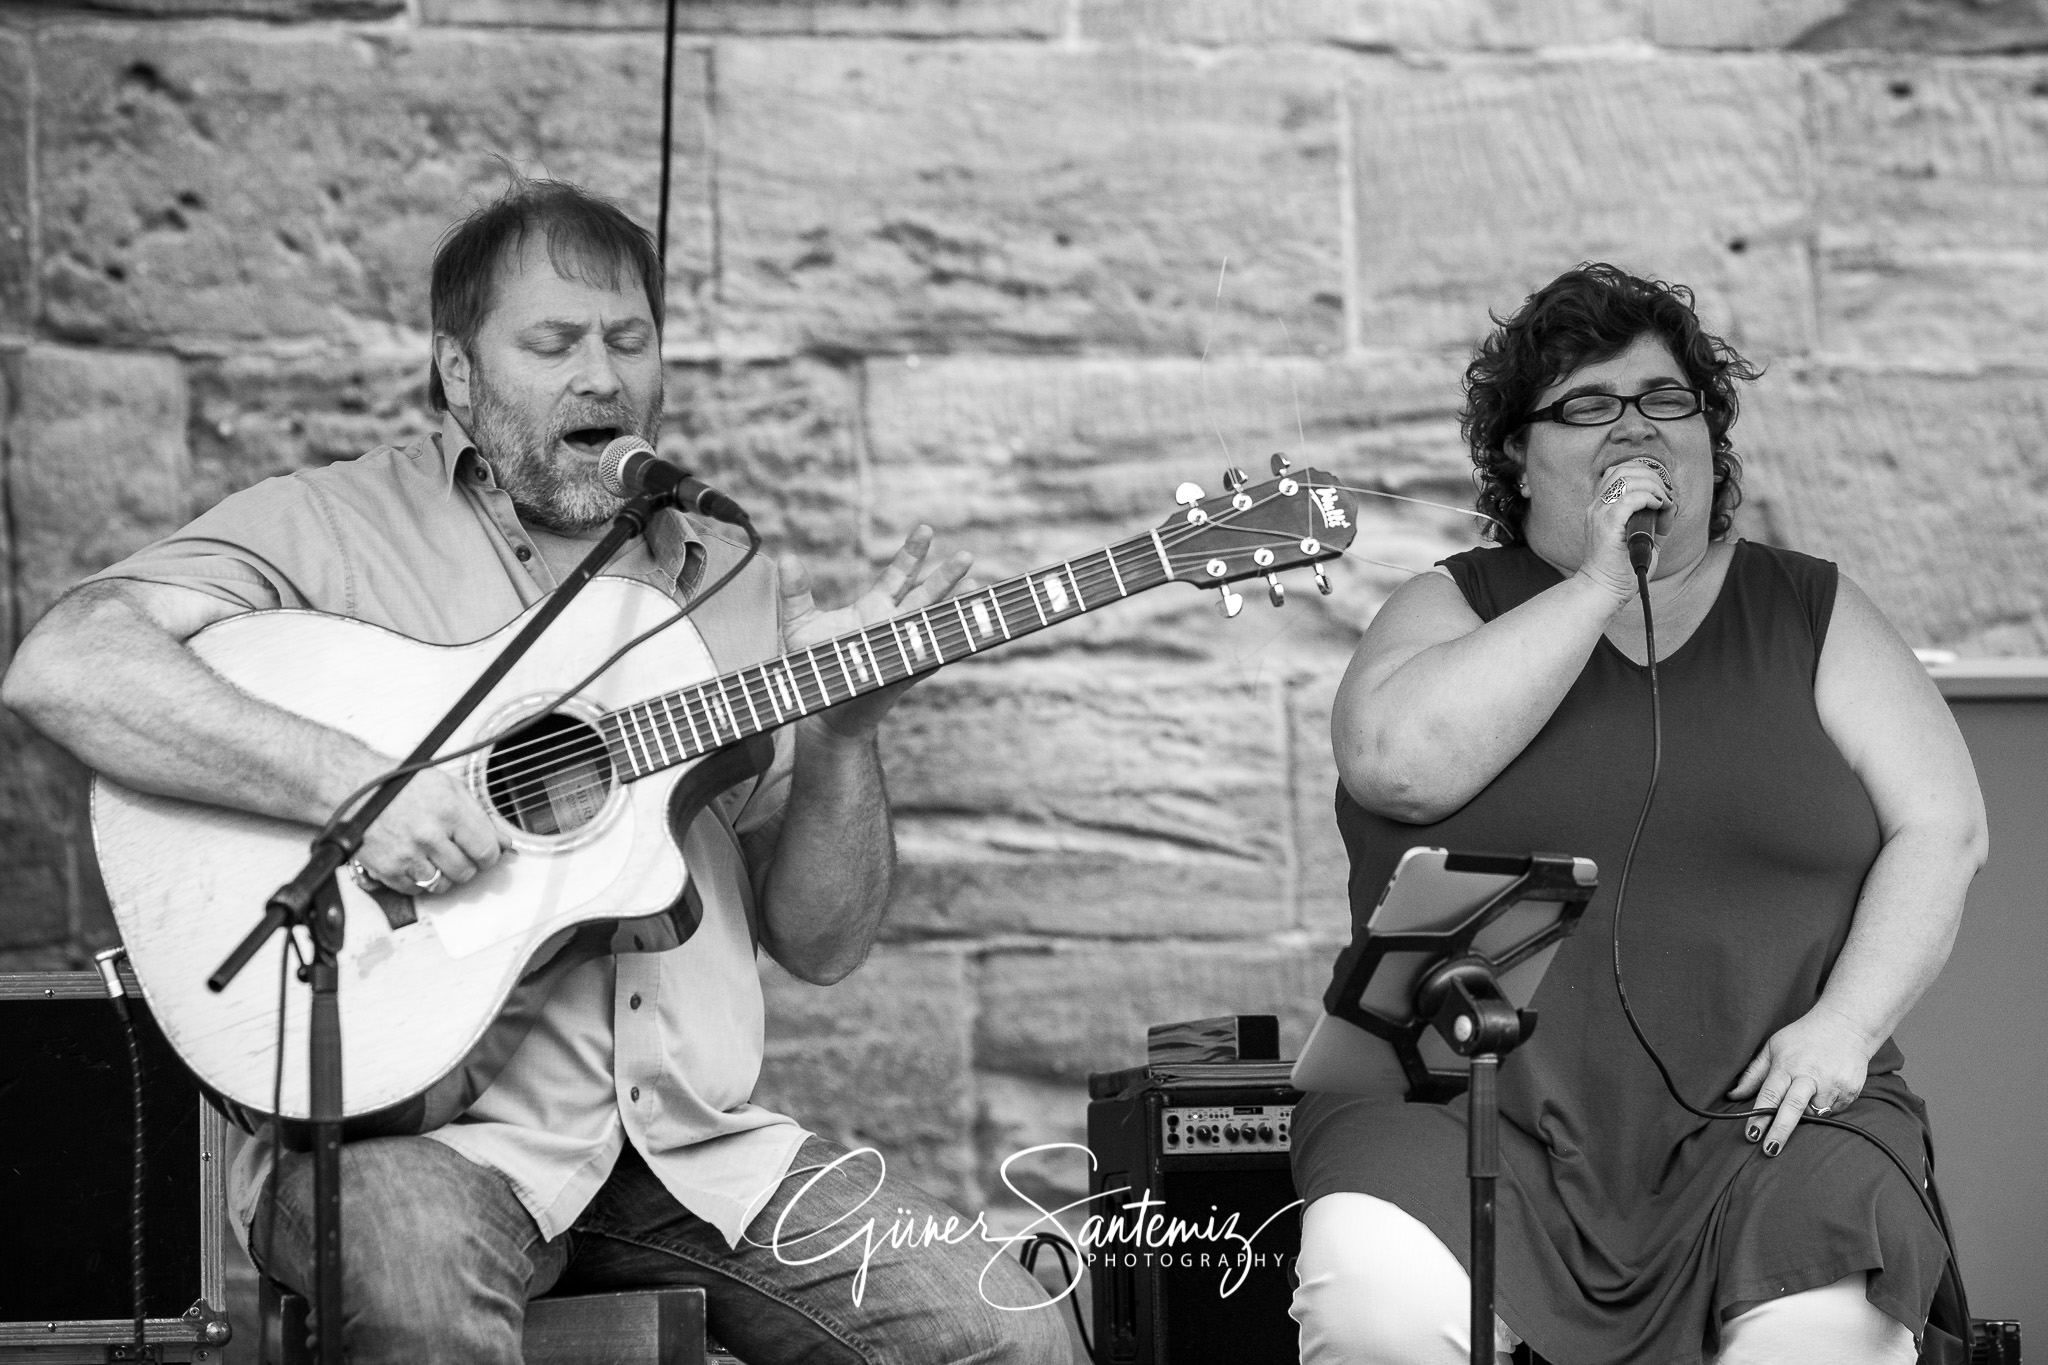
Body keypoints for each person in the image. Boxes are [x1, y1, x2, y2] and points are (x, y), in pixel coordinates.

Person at [1, 178, 1070, 1365]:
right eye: (554, 344)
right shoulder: (332, 527)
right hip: (412, 1144)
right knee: (416, 1279)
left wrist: (843, 737)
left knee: (1006, 1331)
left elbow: (821, 943)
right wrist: (353, 786)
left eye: (628, 340)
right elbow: (67, 666)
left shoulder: (732, 579)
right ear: (458, 373)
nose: (600, 378)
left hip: (695, 1153)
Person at [1289, 264, 1987, 1365]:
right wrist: (1599, 585)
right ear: (1517, 455)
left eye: (1665, 398)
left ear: (1709, 435)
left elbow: (1942, 828)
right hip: (1463, 1114)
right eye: (1586, 405)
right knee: (1375, 1309)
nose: (1634, 426)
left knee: (1821, 1334)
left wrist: (1845, 1029)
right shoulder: (1448, 606)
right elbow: (1395, 768)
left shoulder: (1809, 611)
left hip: (1765, 1114)